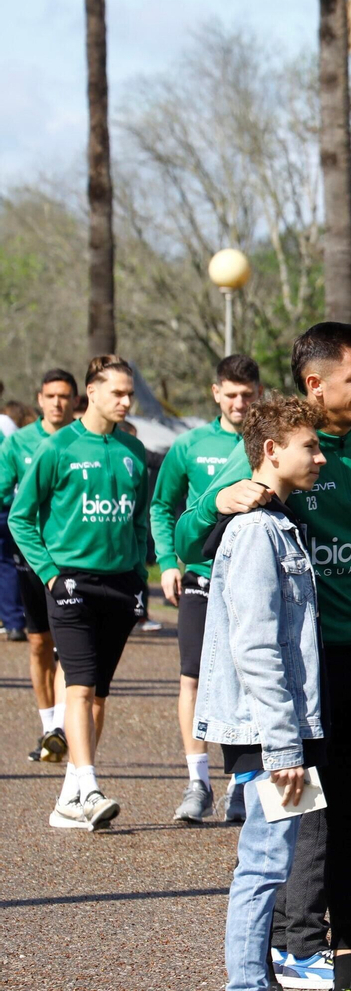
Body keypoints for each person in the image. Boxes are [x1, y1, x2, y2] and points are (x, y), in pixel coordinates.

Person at [174, 322, 351, 991]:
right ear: (314, 383)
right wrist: (214, 501)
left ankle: (345, 956)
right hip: (299, 669)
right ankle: (295, 948)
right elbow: (187, 535)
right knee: (303, 815)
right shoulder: (281, 445)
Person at [192, 393, 329, 991]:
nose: (321, 457)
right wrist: (284, 750)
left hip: (281, 731)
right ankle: (246, 983)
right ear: (272, 452)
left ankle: (257, 979)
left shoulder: (279, 524)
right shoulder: (254, 533)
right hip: (267, 734)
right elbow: (255, 648)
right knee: (266, 864)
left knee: (276, 862)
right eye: (311, 446)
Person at [10, 355, 152, 829]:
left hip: (120, 586)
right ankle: (88, 786)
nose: (126, 401)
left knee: (99, 695)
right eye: (118, 393)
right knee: (80, 683)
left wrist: (138, 577)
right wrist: (51, 574)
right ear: (91, 394)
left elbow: (138, 522)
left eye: (129, 393)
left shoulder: (133, 453)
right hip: (70, 583)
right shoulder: (59, 448)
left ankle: (69, 797)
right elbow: (20, 517)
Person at [152, 353, 262, 824]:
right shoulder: (190, 445)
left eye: (248, 395)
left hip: (252, 578)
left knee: (249, 677)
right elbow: (162, 505)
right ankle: (198, 782)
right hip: (200, 576)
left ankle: (242, 785)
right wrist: (165, 564)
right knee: (194, 678)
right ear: (216, 393)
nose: (239, 403)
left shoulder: (269, 441)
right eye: (231, 394)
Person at [1, 369, 77, 756]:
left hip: (69, 561)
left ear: (75, 400)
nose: (58, 403)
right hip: (28, 557)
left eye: (64, 396)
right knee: (38, 644)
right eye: (51, 396)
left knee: (66, 647)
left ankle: (63, 729)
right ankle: (48, 728)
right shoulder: (18, 443)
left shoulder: (80, 442)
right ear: (40, 399)